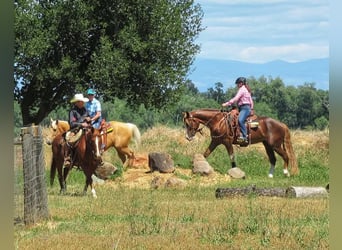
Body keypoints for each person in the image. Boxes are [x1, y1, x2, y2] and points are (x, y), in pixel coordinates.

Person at [222, 77, 254, 144]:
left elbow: (236, 98)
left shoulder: (242, 89)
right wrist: (251, 108)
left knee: (240, 120)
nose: (237, 85)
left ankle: (245, 137)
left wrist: (227, 103)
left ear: (241, 83)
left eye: (238, 83)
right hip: (243, 108)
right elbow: (251, 101)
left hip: (244, 108)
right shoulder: (246, 90)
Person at [64, 93, 91, 167]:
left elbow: (88, 119)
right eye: (81, 101)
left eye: (83, 102)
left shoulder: (85, 110)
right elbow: (72, 123)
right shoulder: (72, 111)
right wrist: (81, 124)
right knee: (69, 140)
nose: (83, 103)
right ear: (77, 102)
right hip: (75, 130)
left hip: (86, 129)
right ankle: (68, 158)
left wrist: (89, 120)